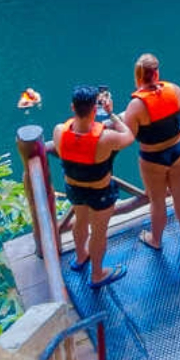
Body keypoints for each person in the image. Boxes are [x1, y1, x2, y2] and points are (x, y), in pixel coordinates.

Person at [53, 84, 135, 288]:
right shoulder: (105, 138)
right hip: (100, 193)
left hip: (74, 189)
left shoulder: (59, 132)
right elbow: (129, 136)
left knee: (80, 221)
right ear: (94, 109)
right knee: (98, 233)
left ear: (73, 107)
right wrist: (112, 115)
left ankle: (81, 257)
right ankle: (97, 274)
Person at [122, 53, 180, 249]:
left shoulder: (135, 106)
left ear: (138, 76)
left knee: (157, 201)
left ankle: (156, 240)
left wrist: (113, 117)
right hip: (179, 149)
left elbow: (128, 135)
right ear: (156, 73)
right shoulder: (173, 89)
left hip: (153, 157)